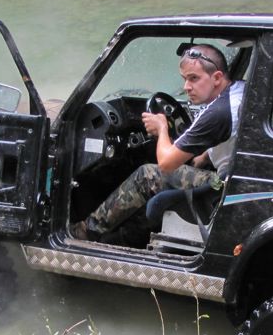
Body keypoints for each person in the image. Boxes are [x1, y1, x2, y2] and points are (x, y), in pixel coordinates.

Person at [70, 43, 245, 242]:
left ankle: (86, 231)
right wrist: (204, 157)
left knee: (148, 175)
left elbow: (166, 163)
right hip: (236, 178)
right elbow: (229, 137)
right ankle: (125, 238)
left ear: (217, 78)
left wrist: (162, 128)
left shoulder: (218, 113)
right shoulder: (238, 91)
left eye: (194, 78)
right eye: (185, 79)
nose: (186, 87)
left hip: (221, 186)